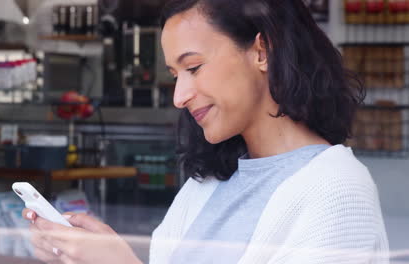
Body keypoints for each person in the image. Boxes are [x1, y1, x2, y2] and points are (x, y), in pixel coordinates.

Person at [22, 0, 389, 263]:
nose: (179, 96)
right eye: (174, 75)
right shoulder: (209, 183)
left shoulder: (338, 192)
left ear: (262, 52)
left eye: (193, 67)